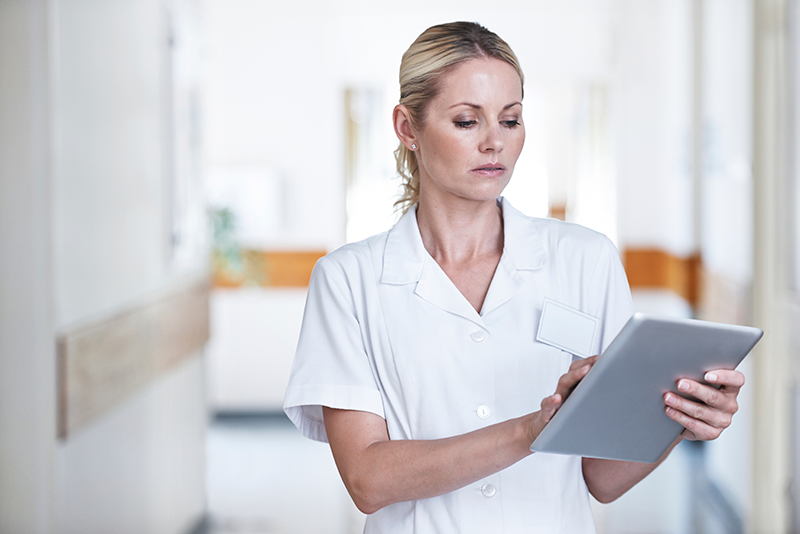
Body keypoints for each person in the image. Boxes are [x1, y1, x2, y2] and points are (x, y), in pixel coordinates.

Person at [283, 21, 744, 533]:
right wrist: (535, 429)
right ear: (407, 127)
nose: (494, 143)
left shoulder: (585, 260)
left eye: (510, 120)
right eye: (466, 121)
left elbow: (604, 479)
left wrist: (677, 417)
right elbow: (369, 480)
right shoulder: (348, 280)